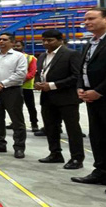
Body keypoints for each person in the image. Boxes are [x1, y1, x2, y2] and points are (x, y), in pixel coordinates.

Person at [71, 7, 106, 195]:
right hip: (92, 98)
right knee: (98, 137)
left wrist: (99, 91)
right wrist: (81, 87)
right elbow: (83, 69)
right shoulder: (90, 42)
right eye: (85, 19)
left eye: (91, 18)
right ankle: (102, 172)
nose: (86, 22)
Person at [34, 29, 84, 169]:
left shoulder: (71, 54)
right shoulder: (42, 56)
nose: (46, 43)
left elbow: (76, 76)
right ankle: (55, 153)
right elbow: (40, 73)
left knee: (72, 129)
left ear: (60, 41)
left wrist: (52, 85)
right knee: (51, 128)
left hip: (67, 98)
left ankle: (77, 158)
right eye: (44, 40)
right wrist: (37, 82)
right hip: (47, 98)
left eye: (50, 40)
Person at [0, 32, 28, 158]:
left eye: (4, 39)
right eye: (0, 39)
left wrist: (2, 84)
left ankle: (19, 147)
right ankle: (0, 143)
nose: (1, 41)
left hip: (12, 90)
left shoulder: (19, 56)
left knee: (17, 119)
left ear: (12, 42)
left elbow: (21, 74)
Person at [13, 40, 40, 132]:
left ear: (23, 47)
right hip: (13, 86)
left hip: (26, 87)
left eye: (18, 46)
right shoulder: (9, 58)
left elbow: (32, 73)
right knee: (15, 107)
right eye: (14, 46)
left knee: (30, 106)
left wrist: (19, 80)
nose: (16, 48)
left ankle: (34, 123)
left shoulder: (31, 58)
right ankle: (16, 123)